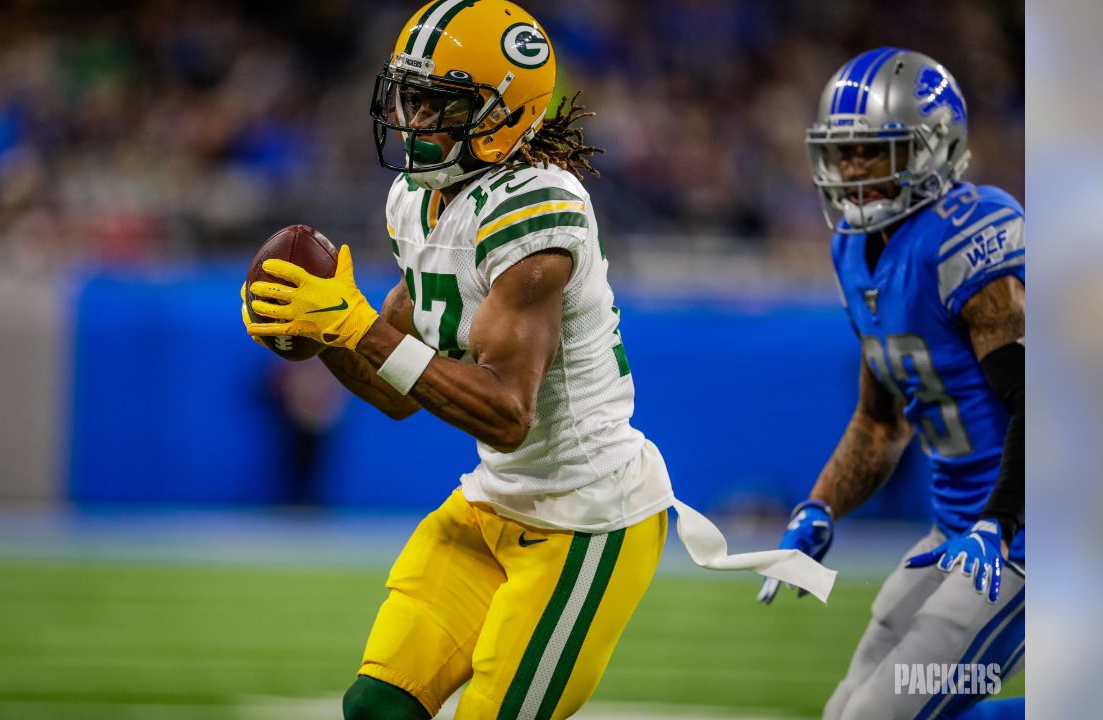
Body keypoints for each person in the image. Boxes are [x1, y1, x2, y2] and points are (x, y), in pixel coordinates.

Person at [243, 2, 676, 717]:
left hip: (586, 517)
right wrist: (321, 332)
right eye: (407, 97)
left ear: (506, 113)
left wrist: (358, 326)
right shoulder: (416, 201)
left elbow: (507, 414)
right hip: (494, 501)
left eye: (437, 104)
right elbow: (397, 390)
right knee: (377, 706)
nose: (412, 120)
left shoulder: (536, 211)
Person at [758, 48, 1025, 720]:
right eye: (843, 153)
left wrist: (1000, 522)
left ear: (937, 148)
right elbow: (881, 422)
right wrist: (816, 508)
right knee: (846, 712)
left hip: (1026, 538)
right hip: (954, 530)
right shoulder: (853, 250)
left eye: (875, 152)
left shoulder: (969, 235)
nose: (852, 171)